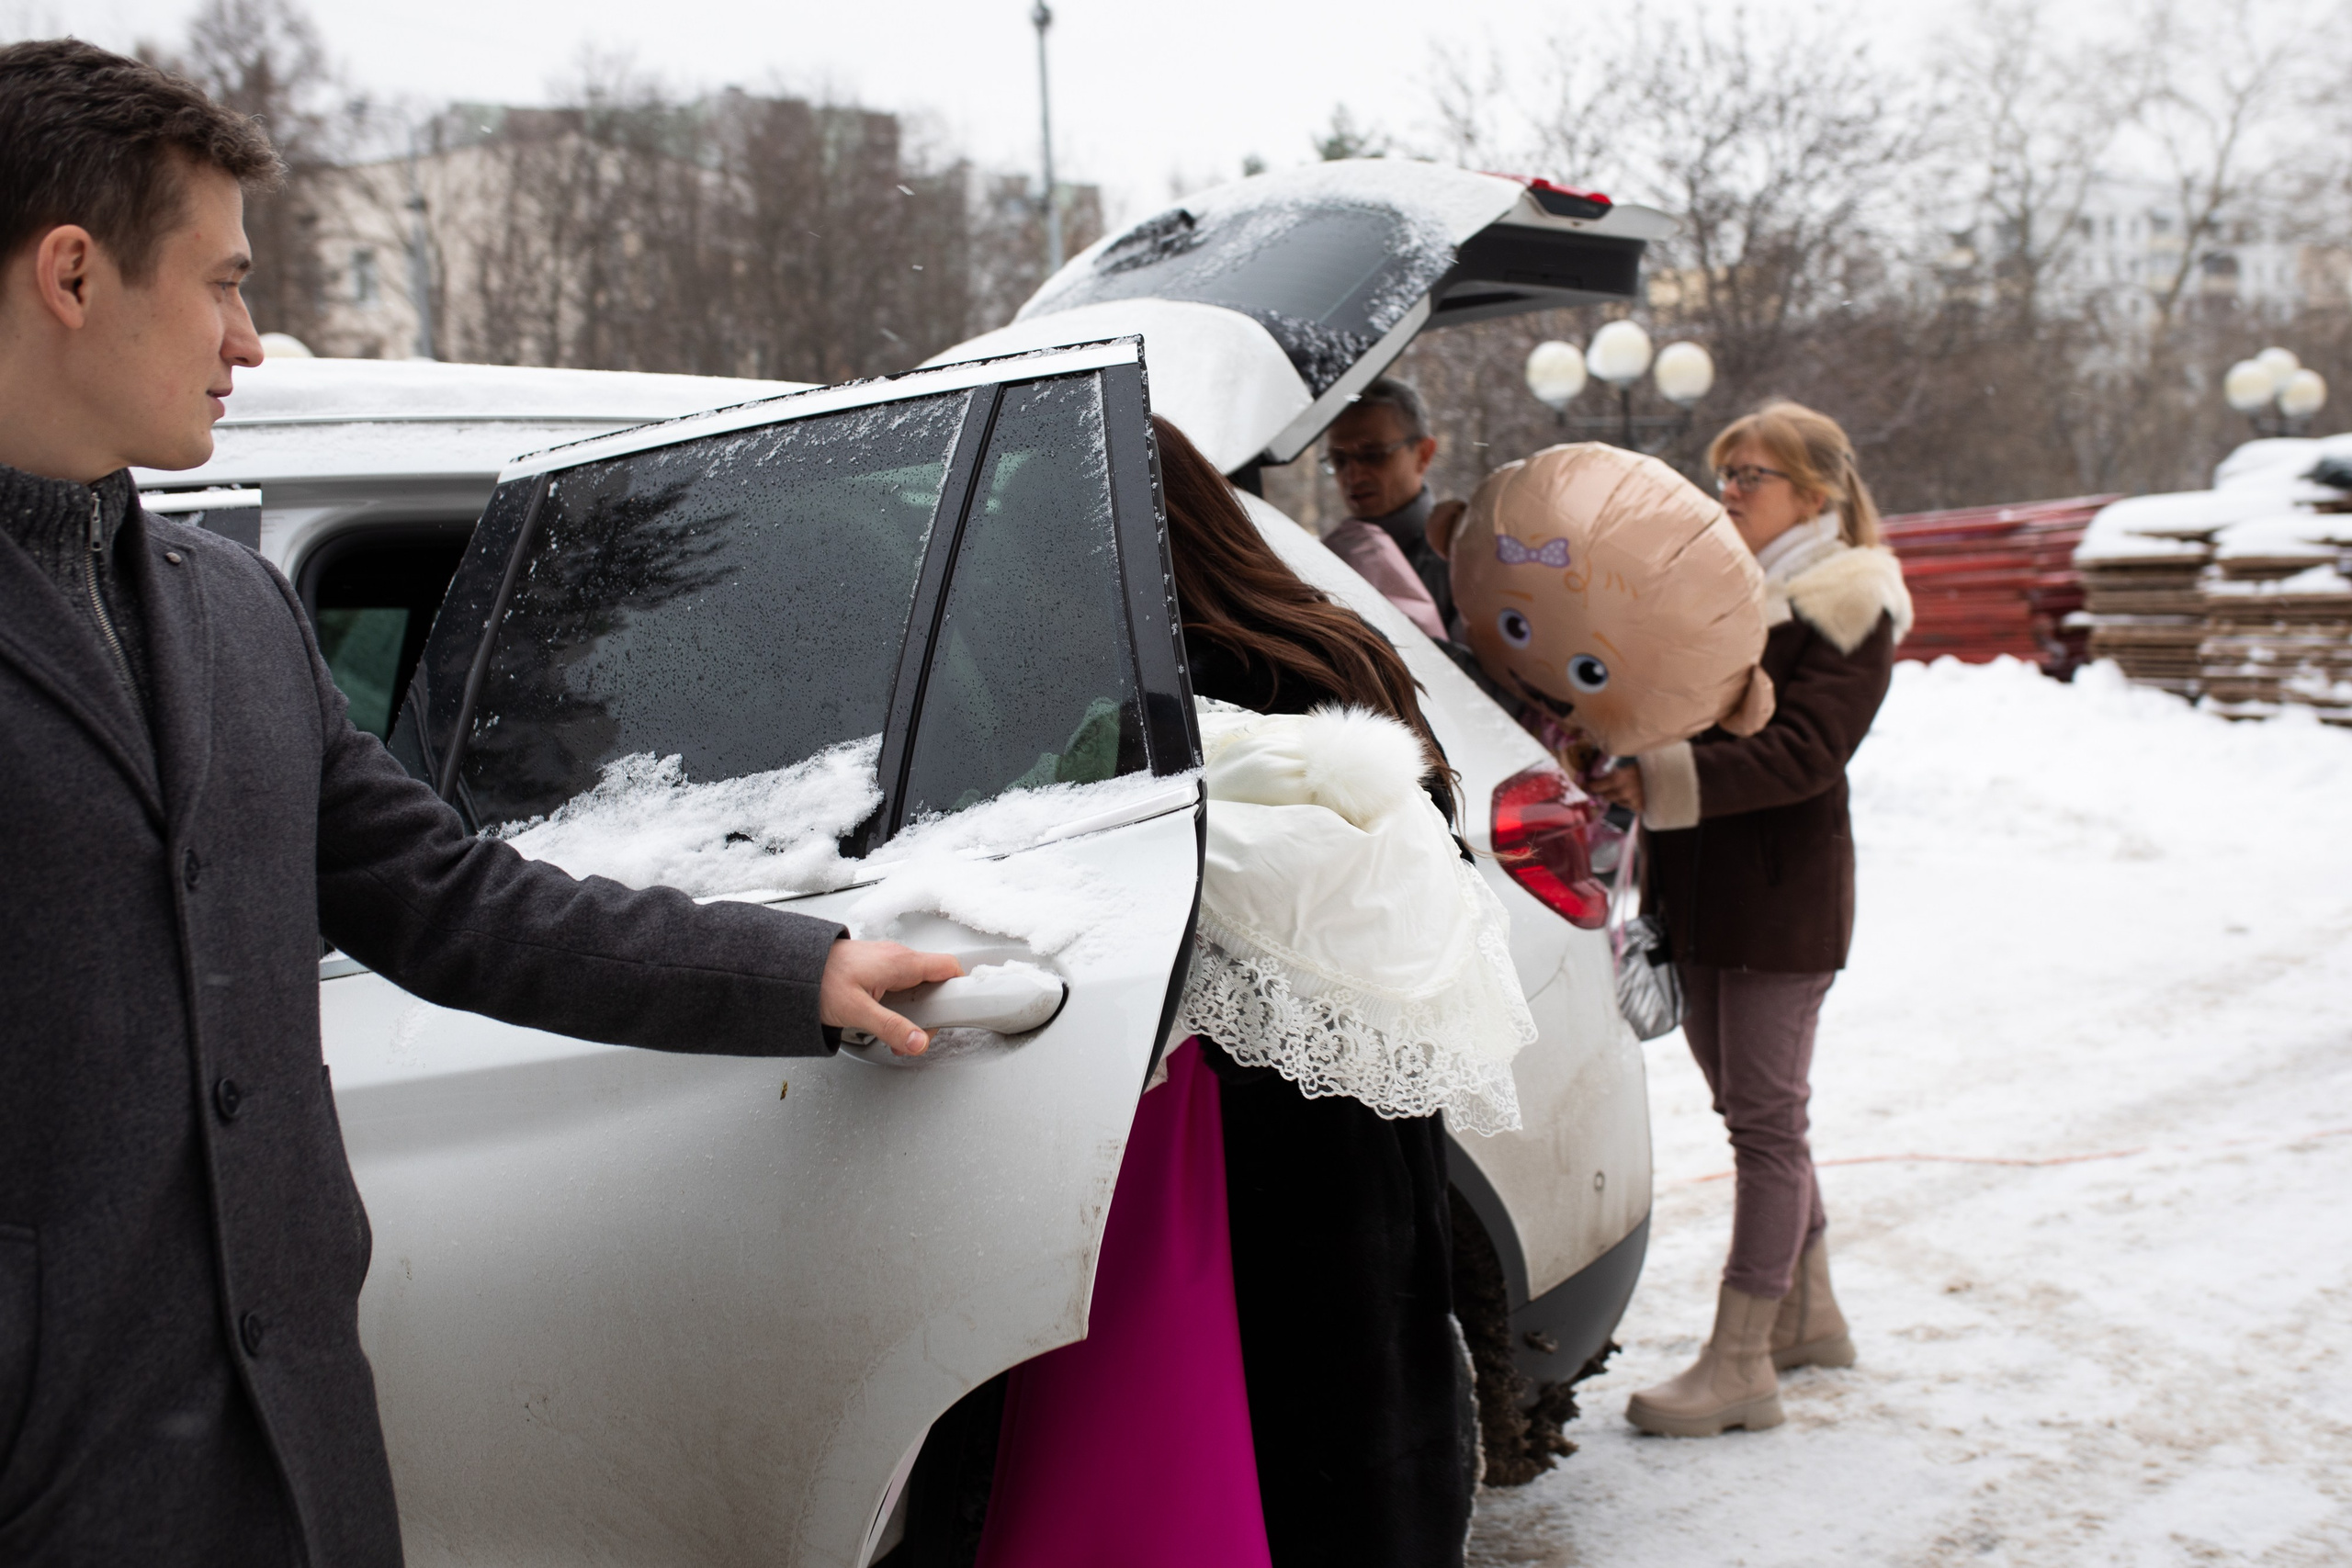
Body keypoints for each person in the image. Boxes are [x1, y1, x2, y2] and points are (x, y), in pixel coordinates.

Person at [0, 40, 958, 1566]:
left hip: (293, 1462)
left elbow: (448, 900)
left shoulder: (233, 613)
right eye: (222, 283)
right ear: (71, 274)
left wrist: (795, 970)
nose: (248, 340)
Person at [970, 418, 1494, 1568]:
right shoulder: (1329, 645)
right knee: (1367, 1434)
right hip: (1368, 1109)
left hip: (1232, 1143)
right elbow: (1429, 855)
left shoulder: (1146, 701)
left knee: (1252, 1447)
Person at [1589, 400, 1912, 1438]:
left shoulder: (1850, 603)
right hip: (1697, 895)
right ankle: (1809, 1319)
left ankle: (1740, 1364)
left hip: (1780, 902)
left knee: (1768, 1128)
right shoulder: (1729, 592)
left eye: (1750, 476)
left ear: (1812, 495)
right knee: (1749, 1114)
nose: (1727, 492)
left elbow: (1806, 753)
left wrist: (1661, 778)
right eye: (1723, 473)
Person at [1319, 378, 1458, 640]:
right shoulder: (1326, 559)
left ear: (1424, 453)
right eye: (1339, 460)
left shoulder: (1462, 558)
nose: (1353, 476)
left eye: (1373, 455)